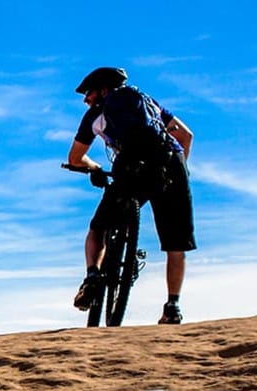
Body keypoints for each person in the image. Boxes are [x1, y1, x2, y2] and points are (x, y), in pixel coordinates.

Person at [67, 67, 196, 324]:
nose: (86, 100)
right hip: (171, 164)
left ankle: (92, 276)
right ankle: (172, 306)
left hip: (132, 168)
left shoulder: (96, 115)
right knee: (175, 244)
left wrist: (94, 169)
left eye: (89, 94)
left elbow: (75, 158)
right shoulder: (151, 104)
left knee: (98, 227)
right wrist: (178, 175)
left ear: (103, 90)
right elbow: (185, 135)